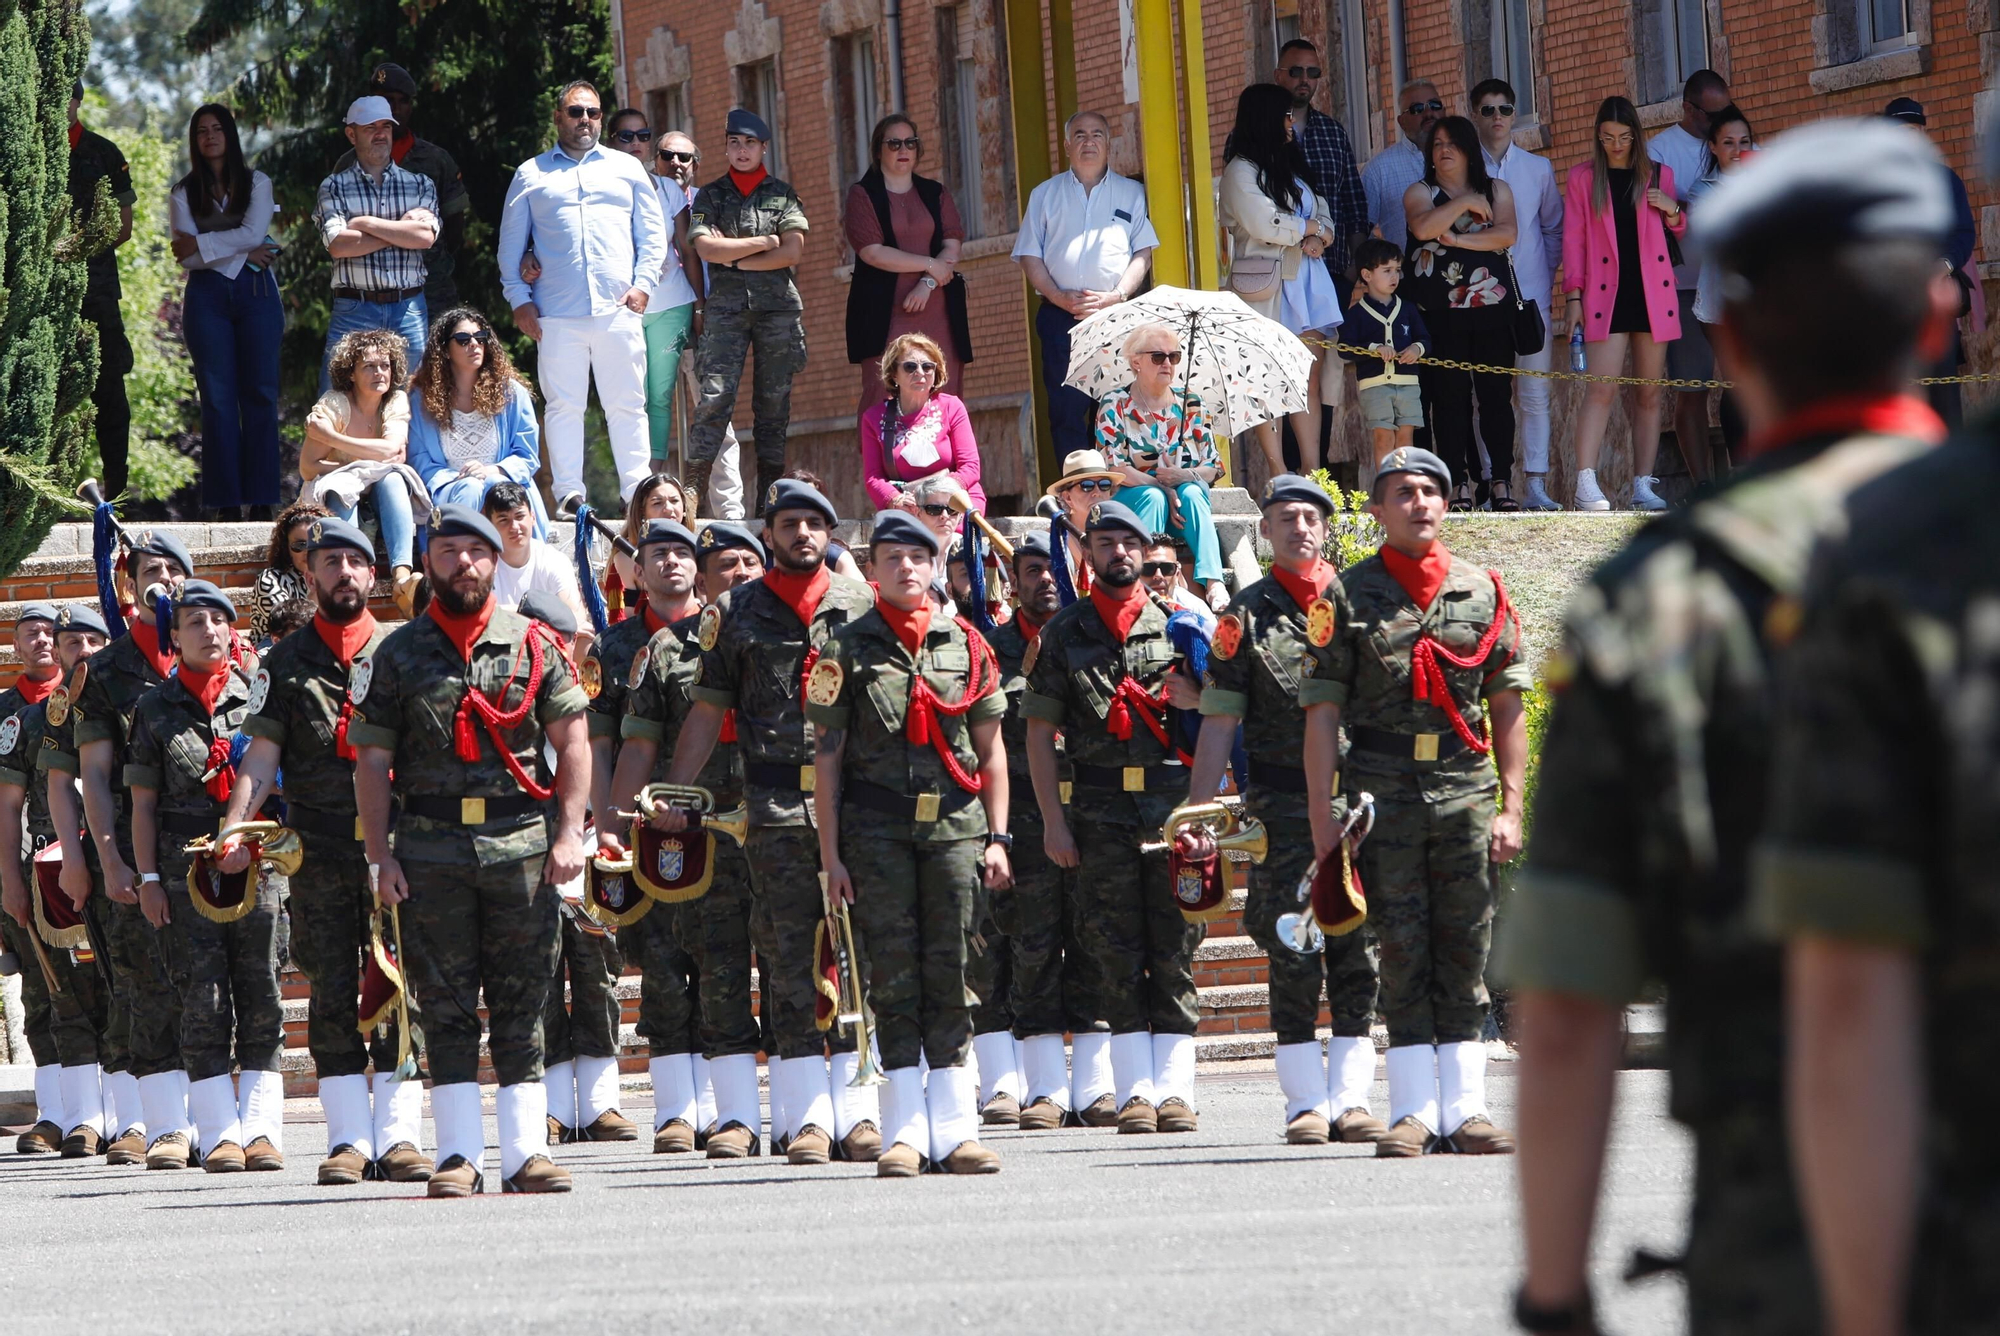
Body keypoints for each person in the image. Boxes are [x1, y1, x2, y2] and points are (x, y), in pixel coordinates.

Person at [1500, 118, 1956, 1336]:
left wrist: (1554, 1301)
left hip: (1783, 1245)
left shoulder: (1659, 598)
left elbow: (1562, 1009)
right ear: (1934, 316)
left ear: (1729, 334)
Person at [349, 504, 592, 1196]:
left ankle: (523, 1153)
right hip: (428, 850)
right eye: (449, 550)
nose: (463, 562)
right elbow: (370, 763)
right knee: (444, 1004)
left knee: (524, 998)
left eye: (476, 551)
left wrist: (571, 833)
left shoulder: (535, 644)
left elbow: (573, 743)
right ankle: (458, 1155)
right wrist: (378, 856)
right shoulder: (396, 654)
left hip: (521, 846)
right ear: (429, 561)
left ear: (496, 561)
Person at [1302, 447, 1529, 1158]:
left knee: (1466, 944)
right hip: (1382, 795)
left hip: (1465, 790)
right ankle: (1411, 1111)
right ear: (1376, 511)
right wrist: (1321, 821)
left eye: (1431, 490)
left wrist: (1512, 805)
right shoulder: (1344, 597)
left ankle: (1465, 1108)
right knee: (1398, 945)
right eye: (1402, 492)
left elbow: (1508, 702)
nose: (1420, 502)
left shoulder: (1483, 589)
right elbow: (1321, 715)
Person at [656, 478, 883, 1165]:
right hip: (777, 810)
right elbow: (705, 712)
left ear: (830, 532)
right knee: (787, 960)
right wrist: (676, 789)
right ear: (771, 532)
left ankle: (861, 1114)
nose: (803, 534)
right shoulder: (736, 611)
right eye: (790, 523)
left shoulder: (861, 603)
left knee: (856, 956)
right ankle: (806, 1118)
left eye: (815, 522)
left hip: (858, 805)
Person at [220, 517, 431, 1185]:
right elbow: (260, 757)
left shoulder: (406, 655)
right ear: (308, 574)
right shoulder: (282, 664)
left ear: (374, 574)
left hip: (400, 848)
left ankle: (399, 1135)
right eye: (329, 560)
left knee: (402, 986)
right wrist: (235, 825)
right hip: (320, 848)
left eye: (355, 561)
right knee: (333, 988)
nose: (342, 571)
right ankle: (347, 1139)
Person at [808, 509, 1012, 1176]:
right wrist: (830, 857)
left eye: (917, 557)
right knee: (892, 976)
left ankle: (956, 1131)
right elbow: (828, 760)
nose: (906, 567)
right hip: (877, 833)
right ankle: (903, 1131)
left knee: (953, 970)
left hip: (956, 830)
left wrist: (999, 837)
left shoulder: (968, 645)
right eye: (892, 557)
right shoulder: (844, 649)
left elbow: (992, 751)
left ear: (934, 564)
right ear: (871, 571)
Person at [1186, 476, 1383, 1144]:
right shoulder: (1242, 618)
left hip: (1355, 804)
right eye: (1284, 518)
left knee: (1358, 947)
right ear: (1264, 533)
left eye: (1309, 517)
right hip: (1282, 806)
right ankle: (1305, 1102)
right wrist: (1195, 813)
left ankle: (1353, 1097)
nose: (1299, 527)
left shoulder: (1363, 606)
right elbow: (1218, 723)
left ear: (1326, 529)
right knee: (1292, 946)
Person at [1022, 498, 1206, 1136]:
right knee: (1114, 950)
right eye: (1104, 543)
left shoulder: (1182, 627)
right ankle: (1134, 1092)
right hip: (1098, 812)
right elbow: (1039, 735)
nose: (1119, 553)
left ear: (1146, 550)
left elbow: (1219, 725)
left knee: (1176, 945)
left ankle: (1176, 1091)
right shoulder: (1063, 634)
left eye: (1129, 542)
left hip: (1170, 809)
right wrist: (1052, 821)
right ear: (1088, 553)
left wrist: (1199, 697)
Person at [608, 520, 769, 1156]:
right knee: (686, 966)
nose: (737, 577)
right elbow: (636, 747)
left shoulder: (793, 641)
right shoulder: (666, 650)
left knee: (788, 966)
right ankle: (689, 1111)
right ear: (704, 579)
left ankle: (794, 1110)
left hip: (781, 825)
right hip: (688, 829)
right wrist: (616, 830)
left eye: (747, 565)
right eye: (723, 566)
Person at [47, 531, 199, 1170]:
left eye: (172, 569)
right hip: (136, 856)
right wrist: (105, 860)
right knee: (141, 986)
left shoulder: (225, 657)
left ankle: (215, 1121)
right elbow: (92, 777)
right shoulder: (104, 674)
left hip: (209, 850)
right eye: (148, 569)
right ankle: (146, 1120)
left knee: (212, 987)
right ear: (128, 584)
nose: (161, 578)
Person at [126, 582, 283, 1175]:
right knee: (202, 995)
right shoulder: (154, 708)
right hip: (183, 868)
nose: (210, 631)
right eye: (195, 622)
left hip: (259, 864)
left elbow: (277, 777)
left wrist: (244, 839)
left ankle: (263, 1129)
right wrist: (145, 877)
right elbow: (142, 803)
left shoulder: (260, 694)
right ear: (175, 636)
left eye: (219, 620)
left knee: (261, 990)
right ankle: (218, 1131)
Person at [973, 534, 1114, 1127]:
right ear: (1012, 580)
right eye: (1033, 571)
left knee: (1093, 944)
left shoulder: (1094, 638)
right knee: (1026, 948)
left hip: (1091, 812)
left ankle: (1096, 1086)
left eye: (1055, 569)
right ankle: (1039, 1089)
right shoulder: (991, 650)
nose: (1046, 581)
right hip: (1024, 818)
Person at [576, 518, 700, 1150]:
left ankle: (731, 1106)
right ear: (638, 570)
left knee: (727, 959)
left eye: (683, 551)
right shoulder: (615, 646)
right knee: (663, 962)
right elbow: (600, 744)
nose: (672, 563)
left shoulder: (723, 636)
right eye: (659, 554)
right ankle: (677, 1109)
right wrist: (607, 824)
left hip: (721, 816)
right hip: (644, 822)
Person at [497, 81, 666, 511]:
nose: (585, 120)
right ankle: (570, 494)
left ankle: (636, 493)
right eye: (575, 112)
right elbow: (510, 248)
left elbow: (652, 235)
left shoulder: (627, 170)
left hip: (617, 309)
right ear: (558, 118)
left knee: (628, 404)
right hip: (556, 313)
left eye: (592, 112)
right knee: (562, 407)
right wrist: (519, 300)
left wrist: (643, 285)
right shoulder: (530, 174)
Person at [31, 607, 136, 1163]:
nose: (82, 651)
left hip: (133, 853)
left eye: (92, 639)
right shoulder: (46, 715)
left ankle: (136, 1116)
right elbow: (50, 791)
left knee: (135, 986)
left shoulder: (131, 694)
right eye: (70, 641)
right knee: (76, 993)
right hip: (68, 868)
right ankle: (85, 1118)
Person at [0, 605, 105, 1156]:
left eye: (54, 634)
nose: (45, 642)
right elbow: (6, 806)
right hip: (36, 869)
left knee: (112, 988)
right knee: (49, 995)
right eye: (32, 633)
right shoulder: (12, 717)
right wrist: (10, 879)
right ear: (16, 647)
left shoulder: (102, 705)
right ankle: (58, 1111)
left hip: (103, 858)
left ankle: (114, 1113)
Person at [1563, 97, 1687, 513]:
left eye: (1623, 137)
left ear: (1636, 135)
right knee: (1601, 389)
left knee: (1650, 394)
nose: (1616, 145)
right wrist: (1573, 296)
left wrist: (1673, 211)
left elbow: (1679, 231)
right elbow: (1574, 241)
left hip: (1652, 293)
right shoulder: (1584, 178)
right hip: (1604, 293)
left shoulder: (1658, 175)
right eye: (1608, 138)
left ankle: (1642, 484)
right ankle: (1585, 482)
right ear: (1598, 138)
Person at [1012, 111, 1160, 458]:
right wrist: (1057, 296)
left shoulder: (1132, 193)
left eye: (1096, 135)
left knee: (1115, 407)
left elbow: (1143, 253)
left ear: (1108, 145)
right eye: (1079, 135)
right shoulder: (1044, 195)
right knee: (1066, 410)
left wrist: (1118, 295)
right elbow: (1029, 255)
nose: (1088, 141)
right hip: (1061, 317)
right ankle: (1077, 492)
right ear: (1066, 145)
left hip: (1116, 317)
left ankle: (1114, 488)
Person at [684, 109, 810, 515]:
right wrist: (764, 242)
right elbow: (705, 247)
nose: (742, 151)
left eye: (750, 144)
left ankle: (770, 501)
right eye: (734, 143)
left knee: (773, 406)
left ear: (763, 148)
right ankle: (691, 495)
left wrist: (735, 258)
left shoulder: (783, 195)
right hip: (726, 312)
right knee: (714, 398)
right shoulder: (710, 196)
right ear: (725, 147)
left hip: (777, 311)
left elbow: (792, 252)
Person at [1219, 83, 1340, 476]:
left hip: (1307, 281)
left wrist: (1320, 233)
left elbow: (1325, 215)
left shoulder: (1293, 162)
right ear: (1265, 118)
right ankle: (1277, 470)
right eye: (1286, 115)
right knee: (1266, 379)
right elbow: (1262, 221)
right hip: (1266, 285)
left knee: (1310, 376)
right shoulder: (1240, 170)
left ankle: (1312, 470)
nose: (1292, 121)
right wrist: (1307, 228)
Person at [172, 102, 281, 519]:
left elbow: (255, 232)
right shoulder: (182, 192)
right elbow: (184, 259)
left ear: (230, 135)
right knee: (217, 400)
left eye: (217, 128)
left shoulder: (257, 183)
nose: (210, 136)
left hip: (257, 295)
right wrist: (245, 252)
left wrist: (205, 245)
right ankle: (227, 505)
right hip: (207, 300)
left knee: (260, 394)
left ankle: (262, 502)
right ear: (195, 140)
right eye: (202, 130)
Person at [1404, 115, 1519, 510]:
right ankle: (1459, 486)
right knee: (1449, 401)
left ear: (1470, 149)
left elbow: (1506, 234)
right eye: (1437, 144)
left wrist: (1455, 239)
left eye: (1453, 142)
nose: (1444, 149)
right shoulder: (1419, 191)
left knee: (1495, 397)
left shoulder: (1497, 188)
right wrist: (1466, 204)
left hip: (1492, 308)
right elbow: (1422, 228)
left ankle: (1502, 481)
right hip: (1438, 312)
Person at [1472, 79, 1564, 511]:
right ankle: (1494, 484)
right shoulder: (1463, 170)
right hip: (1479, 299)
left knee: (1534, 393)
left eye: (1504, 109)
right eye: (1488, 110)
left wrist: (1540, 276)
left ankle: (1537, 484)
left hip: (1531, 295)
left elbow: (1552, 228)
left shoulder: (1537, 169)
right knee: (1488, 395)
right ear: (1475, 115)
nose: (1497, 118)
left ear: (1515, 114)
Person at [1093, 324, 1228, 610]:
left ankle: (1214, 582)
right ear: (1136, 362)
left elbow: (1213, 466)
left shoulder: (1191, 402)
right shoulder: (1114, 404)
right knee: (1153, 497)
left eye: (1174, 356)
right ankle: (1145, 578)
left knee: (1192, 491)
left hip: (1185, 509)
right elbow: (1113, 467)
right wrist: (1160, 486)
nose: (1167, 363)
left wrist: (1183, 476)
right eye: (1158, 356)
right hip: (1138, 502)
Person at [845, 114, 972, 411]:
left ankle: (943, 459)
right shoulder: (863, 195)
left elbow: (952, 244)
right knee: (884, 392)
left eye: (910, 143)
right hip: (884, 312)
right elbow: (872, 252)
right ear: (879, 150)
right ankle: (885, 459)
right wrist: (929, 264)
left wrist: (927, 283)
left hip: (937, 307)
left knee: (942, 391)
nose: (903, 150)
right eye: (894, 143)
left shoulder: (935, 192)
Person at [314, 95, 440, 392]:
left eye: (386, 125)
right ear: (351, 134)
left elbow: (424, 238)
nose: (381, 133)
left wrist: (365, 223)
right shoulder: (333, 187)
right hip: (354, 308)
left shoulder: (420, 184)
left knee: (415, 404)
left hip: (408, 307)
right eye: (370, 127)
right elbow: (339, 245)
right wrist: (401, 232)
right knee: (334, 402)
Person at [654, 130, 746, 519]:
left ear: (696, 165)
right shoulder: (643, 201)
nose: (676, 164)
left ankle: (729, 513)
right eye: (667, 156)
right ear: (654, 160)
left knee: (715, 419)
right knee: (650, 411)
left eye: (685, 158)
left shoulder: (712, 204)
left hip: (709, 324)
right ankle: (647, 504)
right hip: (659, 316)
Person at [302, 328, 424, 614]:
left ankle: (402, 581)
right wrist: (358, 465)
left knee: (394, 478)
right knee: (343, 486)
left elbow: (392, 451)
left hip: (378, 486)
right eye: (368, 366)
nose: (379, 372)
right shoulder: (335, 403)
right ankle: (352, 577)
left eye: (385, 365)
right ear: (352, 373)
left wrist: (332, 438)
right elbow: (308, 468)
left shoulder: (395, 401)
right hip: (334, 489)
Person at [331, 62, 469, 313]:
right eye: (387, 100)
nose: (396, 109)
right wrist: (406, 235)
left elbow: (454, 229)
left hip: (431, 291)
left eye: (403, 101)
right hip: (368, 294)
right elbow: (337, 234)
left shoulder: (435, 161)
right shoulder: (348, 164)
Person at [1648, 70, 1731, 484]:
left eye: (1725, 113)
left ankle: (1746, 476)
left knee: (1742, 382)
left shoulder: (1734, 142)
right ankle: (1702, 486)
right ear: (1687, 108)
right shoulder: (1659, 150)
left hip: (1732, 287)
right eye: (1711, 115)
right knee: (1692, 387)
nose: (1719, 122)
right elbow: (1653, 218)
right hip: (1681, 285)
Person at [610, 109, 704, 471]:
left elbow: (688, 251)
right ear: (610, 140)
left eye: (643, 136)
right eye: (625, 136)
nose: (635, 143)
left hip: (671, 304)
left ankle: (655, 481)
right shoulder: (597, 187)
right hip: (621, 309)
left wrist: (698, 307)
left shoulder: (667, 189)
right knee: (629, 395)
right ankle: (629, 479)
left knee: (660, 396)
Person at [406, 307, 549, 534]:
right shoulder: (419, 399)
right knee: (470, 488)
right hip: (449, 490)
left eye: (480, 338)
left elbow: (528, 456)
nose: (474, 344)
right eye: (463, 339)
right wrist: (462, 479)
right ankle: (460, 561)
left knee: (495, 487)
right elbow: (419, 459)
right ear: (444, 350)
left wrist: (492, 471)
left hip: (504, 485)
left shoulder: (512, 393)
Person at [1885, 95, 1979, 430]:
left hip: (1935, 310)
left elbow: (1963, 233)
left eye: (1915, 131)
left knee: (1945, 409)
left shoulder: (1945, 180)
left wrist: (1944, 265)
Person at [68, 83, 136, 506]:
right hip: (42, 294)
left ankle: (118, 492)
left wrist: (74, 250)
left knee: (109, 389)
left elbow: (122, 227)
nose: (63, 105)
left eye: (70, 98)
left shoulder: (104, 152)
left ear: (78, 101)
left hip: (96, 291)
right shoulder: (26, 151)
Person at [1687, 105, 1756, 466]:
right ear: (1712, 146)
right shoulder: (1704, 189)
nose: (1737, 149)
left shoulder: (1767, 176)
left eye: (1744, 141)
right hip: (1719, 304)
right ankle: (1740, 464)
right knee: (1737, 380)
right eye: (1728, 142)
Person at [1274, 40, 1369, 281]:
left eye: (1313, 72)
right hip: (1278, 270)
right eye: (1296, 71)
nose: (1304, 79)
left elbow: (1353, 202)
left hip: (1332, 267)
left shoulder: (1334, 132)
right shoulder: (1256, 134)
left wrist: (1355, 264)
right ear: (1278, 75)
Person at [861, 332, 986, 515]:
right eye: (910, 367)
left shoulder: (952, 406)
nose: (920, 373)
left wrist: (938, 495)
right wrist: (896, 500)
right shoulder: (873, 418)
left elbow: (970, 467)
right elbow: (873, 477)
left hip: (954, 502)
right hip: (907, 507)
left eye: (927, 367)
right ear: (894, 374)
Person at [1342, 238, 1429, 469]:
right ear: (1367, 275)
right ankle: (1386, 491)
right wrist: (1375, 349)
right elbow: (1345, 348)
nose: (1395, 277)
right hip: (1375, 386)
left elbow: (1425, 339)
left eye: (1398, 270)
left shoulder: (1408, 308)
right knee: (1384, 438)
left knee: (1405, 440)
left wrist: (1416, 349)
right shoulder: (1356, 313)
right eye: (1387, 270)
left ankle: (1405, 491)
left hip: (1409, 384)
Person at [481, 482, 592, 640]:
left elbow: (575, 618)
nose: (514, 527)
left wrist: (519, 615)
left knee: (584, 636)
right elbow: (478, 616)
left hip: (547, 642)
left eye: (519, 516)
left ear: (532, 517)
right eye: (503, 520)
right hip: (498, 642)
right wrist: (535, 614)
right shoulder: (481, 564)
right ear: (490, 525)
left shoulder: (553, 560)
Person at [1363, 80, 1445, 248]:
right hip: (1405, 271)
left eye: (1434, 105)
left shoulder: (1465, 158)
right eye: (1418, 109)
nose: (1429, 113)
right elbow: (1361, 230)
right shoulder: (1379, 170)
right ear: (1401, 121)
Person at [603, 472, 690, 619]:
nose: (669, 509)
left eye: (674, 501)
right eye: (657, 503)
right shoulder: (626, 558)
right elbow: (626, 621)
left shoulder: (698, 550)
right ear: (642, 511)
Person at [1040, 448, 1124, 596]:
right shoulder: (1053, 539)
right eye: (1086, 485)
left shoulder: (1122, 534)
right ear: (1067, 497)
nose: (1097, 491)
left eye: (1104, 484)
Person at [245, 501, 328, 645]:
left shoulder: (333, 575)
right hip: (274, 650)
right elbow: (292, 629)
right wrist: (315, 591)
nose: (307, 552)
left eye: (315, 544)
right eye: (299, 545)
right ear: (286, 548)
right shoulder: (270, 581)